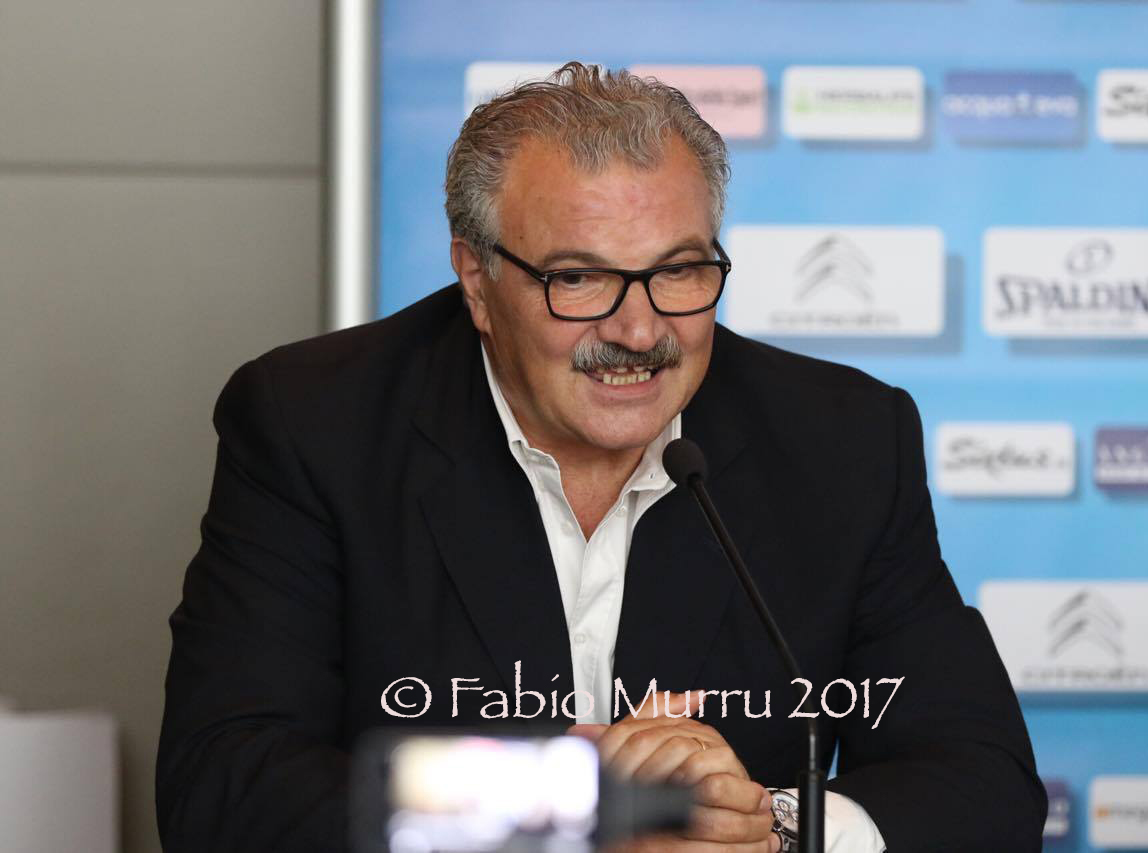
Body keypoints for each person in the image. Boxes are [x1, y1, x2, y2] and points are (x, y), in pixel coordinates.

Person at [156, 62, 1046, 852]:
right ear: (477, 279)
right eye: (578, 278)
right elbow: (224, 784)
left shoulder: (840, 440)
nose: (640, 330)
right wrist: (556, 802)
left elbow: (985, 783)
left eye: (679, 270)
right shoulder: (316, 423)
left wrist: (768, 826)